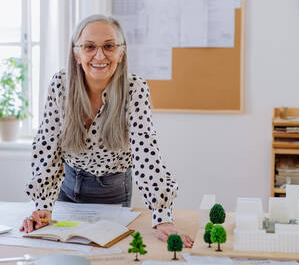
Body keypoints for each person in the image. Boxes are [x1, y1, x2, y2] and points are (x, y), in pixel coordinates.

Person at [20, 14, 193, 247]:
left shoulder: (135, 89)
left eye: (109, 46)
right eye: (89, 47)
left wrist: (162, 218)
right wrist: (42, 205)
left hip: (113, 189)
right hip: (67, 185)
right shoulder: (60, 85)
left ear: (121, 53)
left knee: (107, 253)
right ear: (76, 53)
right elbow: (47, 145)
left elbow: (146, 152)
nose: (99, 56)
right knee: (64, 251)